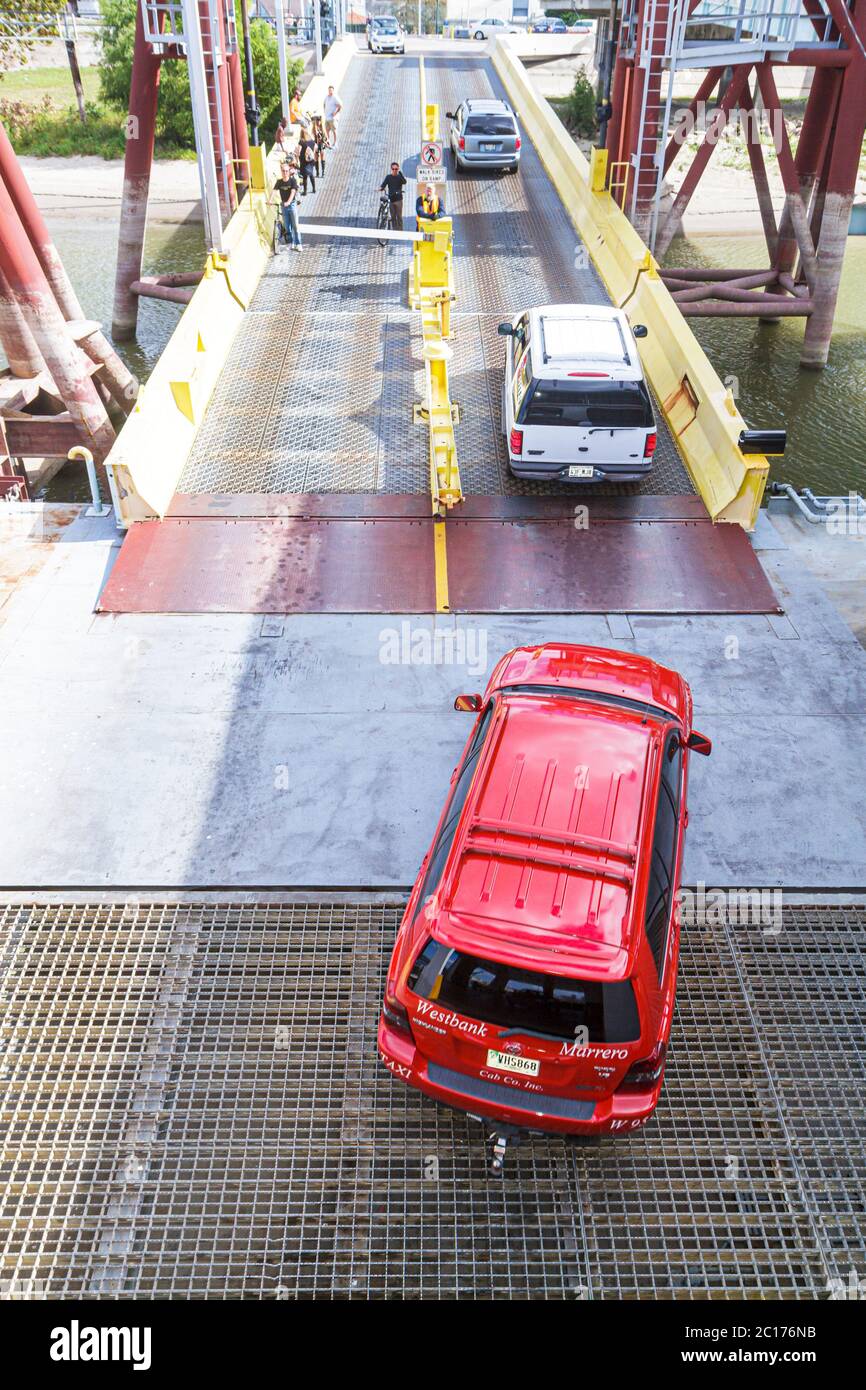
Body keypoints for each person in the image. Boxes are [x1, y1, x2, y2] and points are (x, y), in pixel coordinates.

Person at [274, 160, 302, 251]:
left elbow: (293, 192)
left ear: (289, 171)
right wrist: (269, 201)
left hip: (291, 205)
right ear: (281, 172)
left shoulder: (292, 181)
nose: (285, 173)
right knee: (287, 227)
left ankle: (298, 243)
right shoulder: (279, 182)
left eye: (286, 171)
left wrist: (289, 202)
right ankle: (291, 243)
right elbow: (274, 191)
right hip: (283, 206)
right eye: (283, 171)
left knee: (295, 226)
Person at [380, 161, 407, 231]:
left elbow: (404, 182)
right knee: (393, 216)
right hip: (391, 199)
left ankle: (400, 230)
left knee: (399, 216)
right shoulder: (388, 177)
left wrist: (401, 175)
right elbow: (383, 184)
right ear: (391, 169)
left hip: (398, 200)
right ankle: (395, 230)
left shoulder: (399, 177)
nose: (394, 170)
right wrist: (381, 188)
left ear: (398, 169)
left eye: (396, 169)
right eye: (393, 169)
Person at [298, 129, 317, 195]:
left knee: (305, 177)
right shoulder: (311, 141)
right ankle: (314, 189)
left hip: (304, 161)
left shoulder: (301, 141)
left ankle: (305, 191)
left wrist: (298, 155)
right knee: (311, 174)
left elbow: (299, 150)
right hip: (311, 160)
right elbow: (315, 148)